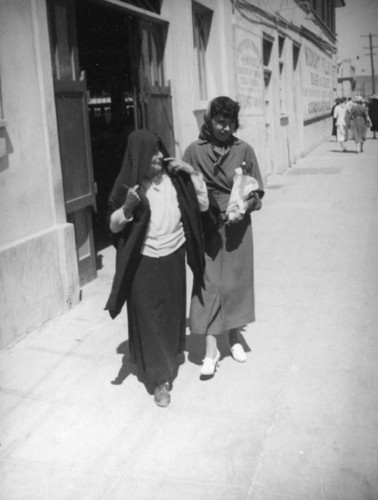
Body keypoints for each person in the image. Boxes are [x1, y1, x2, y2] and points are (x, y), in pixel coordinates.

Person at [105, 129, 208, 407]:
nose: (160, 157)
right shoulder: (129, 186)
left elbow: (202, 204)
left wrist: (191, 172)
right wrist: (127, 208)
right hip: (143, 262)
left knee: (171, 313)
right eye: (153, 152)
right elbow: (113, 225)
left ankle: (163, 360)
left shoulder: (175, 180)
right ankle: (160, 380)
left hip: (173, 256)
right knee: (148, 318)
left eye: (160, 150)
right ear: (139, 155)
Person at [183, 96, 264, 377]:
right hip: (208, 229)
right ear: (209, 121)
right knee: (208, 285)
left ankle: (232, 336)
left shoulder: (245, 151)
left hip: (238, 229)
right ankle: (210, 349)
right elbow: (183, 192)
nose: (225, 128)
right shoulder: (194, 151)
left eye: (230, 123)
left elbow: (257, 194)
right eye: (220, 122)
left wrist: (246, 205)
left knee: (234, 284)